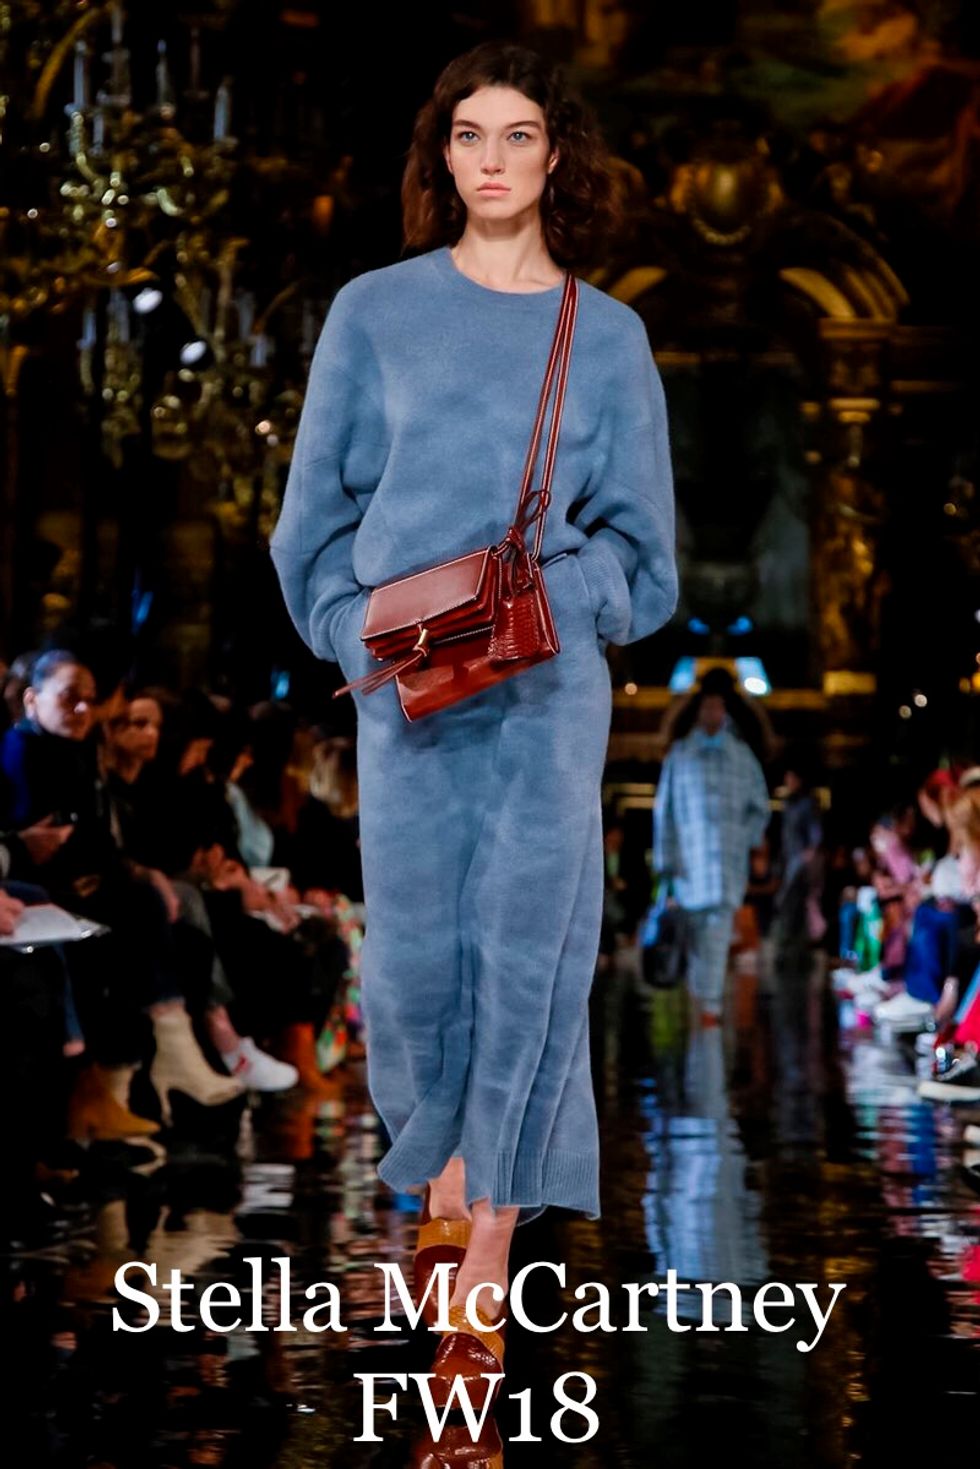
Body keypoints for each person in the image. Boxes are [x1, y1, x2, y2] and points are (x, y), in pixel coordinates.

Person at [270, 40, 677, 1402]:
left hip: (547, 691)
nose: (491, 159)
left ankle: (484, 1250)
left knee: (528, 955)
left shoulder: (604, 336)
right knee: (410, 964)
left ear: (557, 155)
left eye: (517, 134)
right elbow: (309, 527)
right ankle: (445, 1189)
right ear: (439, 154)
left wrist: (562, 600)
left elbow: (646, 559)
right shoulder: (373, 313)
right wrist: (354, 632)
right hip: (408, 690)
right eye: (467, 134)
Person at [653, 669, 771, 1027]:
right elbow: (664, 813)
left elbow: (760, 807)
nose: (712, 712)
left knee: (717, 938)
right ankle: (703, 1003)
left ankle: (710, 1007)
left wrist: (745, 838)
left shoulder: (741, 756)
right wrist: (666, 867)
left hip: (726, 867)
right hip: (689, 867)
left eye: (718, 706)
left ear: (724, 710)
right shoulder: (680, 755)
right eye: (707, 706)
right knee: (694, 941)